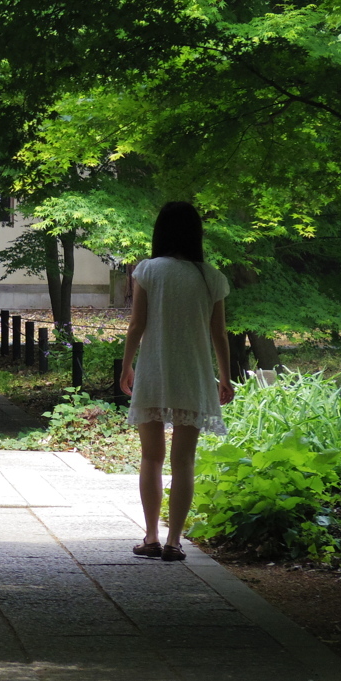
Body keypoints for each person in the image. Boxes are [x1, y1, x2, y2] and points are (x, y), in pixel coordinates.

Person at [119, 202, 234, 562]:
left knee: (151, 457)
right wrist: (226, 376)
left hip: (154, 371)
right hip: (194, 374)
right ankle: (174, 543)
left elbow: (137, 325)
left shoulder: (148, 271)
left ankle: (150, 537)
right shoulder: (210, 276)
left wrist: (126, 366)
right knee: (184, 460)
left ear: (161, 232)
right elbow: (219, 334)